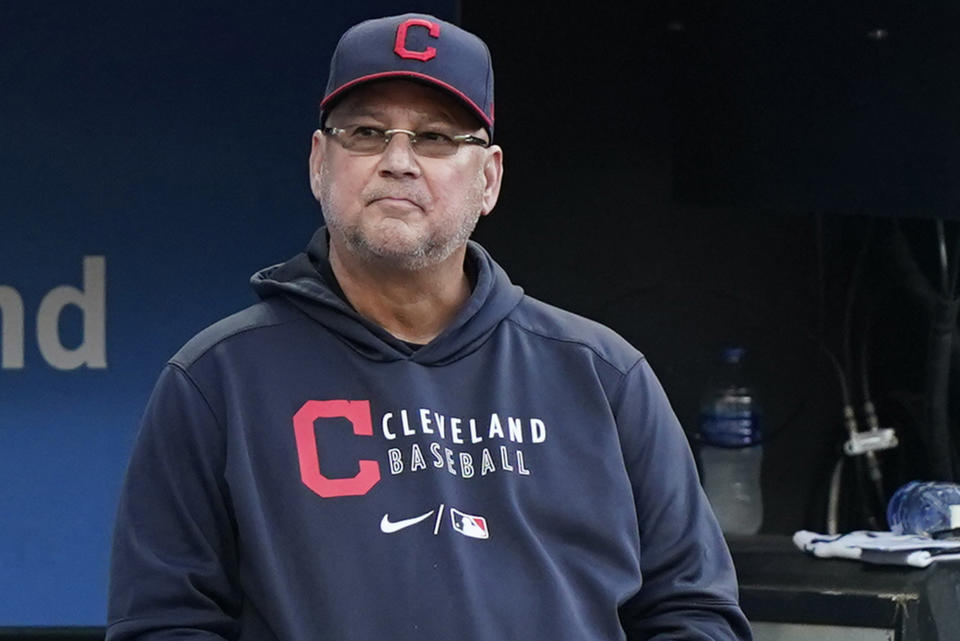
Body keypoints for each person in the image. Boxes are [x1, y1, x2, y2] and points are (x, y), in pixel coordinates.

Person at [107, 12, 753, 641]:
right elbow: (164, 624)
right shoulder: (215, 383)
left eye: (437, 137)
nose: (397, 160)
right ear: (317, 163)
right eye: (364, 132)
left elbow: (696, 613)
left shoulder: (606, 379)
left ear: (490, 179)